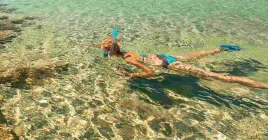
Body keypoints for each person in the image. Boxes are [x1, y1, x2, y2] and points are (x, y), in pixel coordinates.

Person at [97, 37, 268, 89]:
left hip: (168, 65)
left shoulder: (128, 59)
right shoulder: (126, 52)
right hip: (164, 56)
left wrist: (131, 75)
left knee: (217, 77)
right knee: (196, 55)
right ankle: (221, 49)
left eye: (106, 53)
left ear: (111, 52)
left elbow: (151, 72)